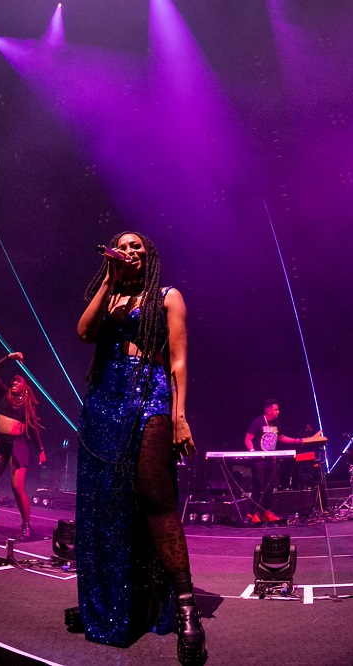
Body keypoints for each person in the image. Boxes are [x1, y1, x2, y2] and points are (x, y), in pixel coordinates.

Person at [68, 231, 206, 665]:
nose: (130, 253)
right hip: (104, 400)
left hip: (150, 394)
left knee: (154, 497)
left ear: (149, 258)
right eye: (123, 247)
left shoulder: (167, 295)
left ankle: (187, 608)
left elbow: (179, 360)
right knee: (105, 506)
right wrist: (109, 280)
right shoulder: (107, 295)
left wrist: (180, 416)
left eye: (138, 249)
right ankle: (111, 602)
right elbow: (84, 332)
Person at [0, 352, 45, 541]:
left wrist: (41, 450)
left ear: (25, 387)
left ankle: (26, 525)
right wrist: (9, 358)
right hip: (0, 444)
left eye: (18, 381)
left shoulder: (27, 404)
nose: (14, 382)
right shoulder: (3, 393)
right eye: (13, 380)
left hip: (18, 446)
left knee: (17, 487)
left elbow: (33, 429)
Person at [244, 399, 307, 523]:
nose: (278, 411)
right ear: (268, 410)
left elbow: (282, 438)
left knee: (270, 486)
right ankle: (254, 512)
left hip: (271, 459)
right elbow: (248, 438)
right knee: (258, 485)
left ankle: (267, 511)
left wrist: (298, 440)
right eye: (276, 409)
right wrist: (252, 452)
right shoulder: (258, 422)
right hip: (259, 460)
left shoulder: (276, 423)